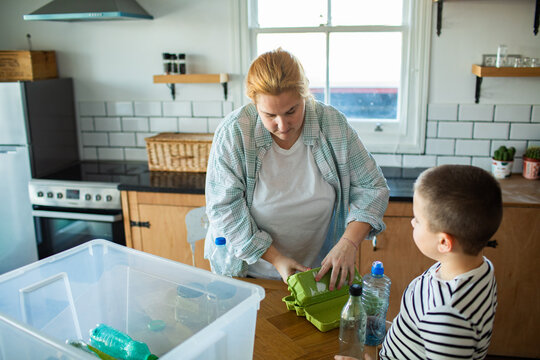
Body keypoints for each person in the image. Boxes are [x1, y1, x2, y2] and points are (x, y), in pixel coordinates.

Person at [204, 48, 389, 289]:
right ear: (253, 102)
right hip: (248, 274)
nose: (282, 125)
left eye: (291, 111)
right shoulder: (235, 133)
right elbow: (224, 209)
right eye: (270, 114)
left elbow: (372, 188)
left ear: (305, 95)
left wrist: (349, 243)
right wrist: (277, 259)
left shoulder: (332, 124)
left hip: (315, 274)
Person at [335, 164, 501, 360]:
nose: (412, 222)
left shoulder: (448, 316)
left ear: (444, 242)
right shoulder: (476, 267)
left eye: (418, 220)